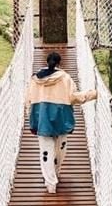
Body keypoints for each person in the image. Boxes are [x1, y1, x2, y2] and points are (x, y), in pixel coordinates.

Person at [26, 52, 97, 193]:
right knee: (60, 149)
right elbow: (73, 97)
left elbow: (28, 99)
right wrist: (93, 94)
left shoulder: (34, 80)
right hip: (61, 118)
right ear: (59, 63)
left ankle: (50, 183)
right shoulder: (65, 78)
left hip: (42, 119)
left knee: (45, 150)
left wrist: (33, 115)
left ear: (47, 62)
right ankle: (56, 172)